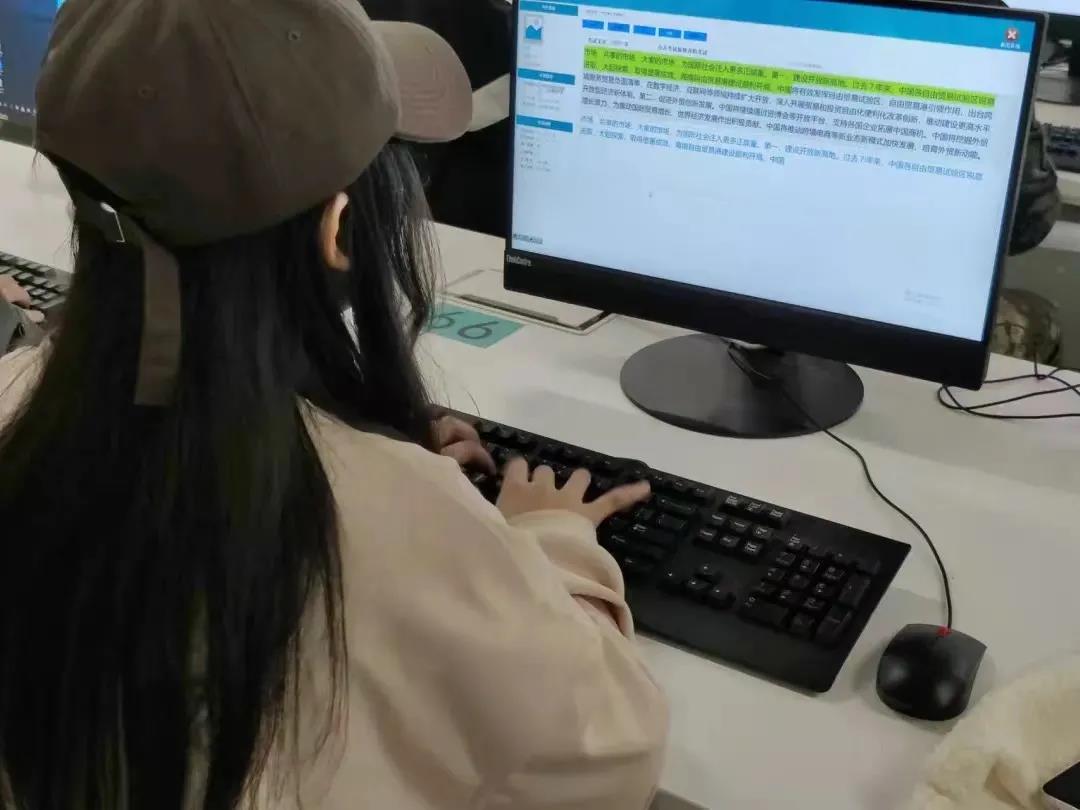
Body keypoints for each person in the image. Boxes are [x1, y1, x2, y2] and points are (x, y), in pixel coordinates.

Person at [0, 1, 667, 809]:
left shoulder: (17, 406)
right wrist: (550, 540)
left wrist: (364, 440)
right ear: (341, 229)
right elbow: (611, 754)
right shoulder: (392, 523)